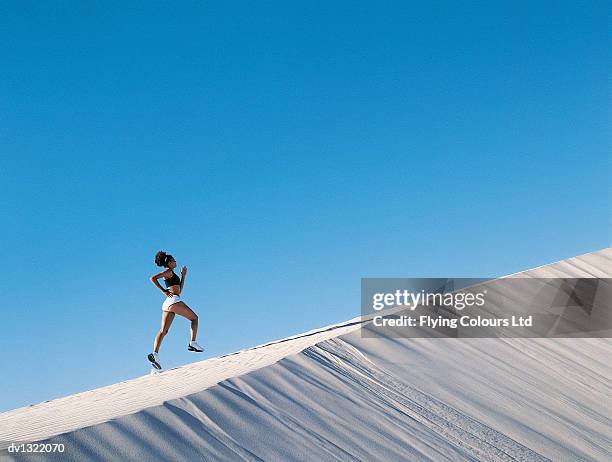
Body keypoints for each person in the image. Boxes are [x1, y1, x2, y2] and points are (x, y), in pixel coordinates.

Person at [147, 250, 204, 370]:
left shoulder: (172, 273)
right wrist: (164, 291)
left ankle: (155, 354)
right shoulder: (167, 272)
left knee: (163, 331)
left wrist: (183, 276)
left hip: (169, 303)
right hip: (173, 301)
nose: (175, 261)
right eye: (173, 260)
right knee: (195, 318)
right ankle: (192, 343)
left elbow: (179, 290)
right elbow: (152, 278)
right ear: (169, 262)